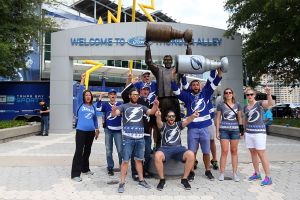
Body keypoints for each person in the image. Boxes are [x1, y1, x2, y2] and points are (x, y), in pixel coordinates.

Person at [171, 68, 223, 181]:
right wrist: (172, 76)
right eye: (193, 85)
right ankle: (191, 172)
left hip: (205, 128)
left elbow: (216, 81)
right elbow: (175, 89)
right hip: (192, 129)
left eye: (197, 84)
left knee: (206, 152)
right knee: (192, 152)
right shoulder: (187, 96)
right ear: (191, 87)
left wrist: (220, 72)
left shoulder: (206, 93)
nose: (195, 86)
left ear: (200, 86)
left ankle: (208, 171)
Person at [111, 88, 159, 193]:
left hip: (140, 138)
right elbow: (115, 113)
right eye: (133, 94)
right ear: (129, 96)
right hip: (127, 138)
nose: (135, 96)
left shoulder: (142, 107)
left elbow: (151, 112)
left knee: (138, 160)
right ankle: (122, 182)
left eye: (137, 95)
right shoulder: (124, 106)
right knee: (125, 161)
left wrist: (155, 105)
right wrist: (114, 110)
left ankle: (141, 180)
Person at [154, 110, 198, 191]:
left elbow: (187, 121)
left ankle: (184, 179)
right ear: (166, 118)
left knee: (191, 154)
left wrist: (193, 116)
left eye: (173, 116)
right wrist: (158, 116)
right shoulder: (163, 125)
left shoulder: (178, 125)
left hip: (178, 148)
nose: (171, 118)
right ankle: (162, 180)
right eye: (169, 116)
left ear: (175, 118)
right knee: (157, 155)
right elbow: (159, 122)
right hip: (165, 149)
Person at [121, 78, 153, 181]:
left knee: (147, 153)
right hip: (134, 133)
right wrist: (131, 83)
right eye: (144, 90)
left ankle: (144, 171)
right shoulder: (136, 100)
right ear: (139, 92)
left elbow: (152, 116)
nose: (145, 91)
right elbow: (124, 94)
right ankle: (135, 173)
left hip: (147, 133)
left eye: (147, 90)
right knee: (135, 155)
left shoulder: (150, 102)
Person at [71, 73, 99, 182]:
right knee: (79, 151)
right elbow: (79, 92)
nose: (88, 96)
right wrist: (82, 80)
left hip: (91, 132)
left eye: (89, 95)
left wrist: (97, 130)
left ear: (91, 97)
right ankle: (75, 174)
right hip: (81, 132)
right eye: (86, 95)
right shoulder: (79, 104)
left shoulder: (93, 107)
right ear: (83, 97)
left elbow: (95, 119)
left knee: (87, 151)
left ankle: (85, 169)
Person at [244, 87, 273, 186]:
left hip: (259, 133)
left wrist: (268, 94)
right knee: (253, 153)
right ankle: (257, 173)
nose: (250, 96)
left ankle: (268, 177)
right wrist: (244, 131)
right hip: (249, 133)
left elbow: (269, 104)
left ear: (255, 95)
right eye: (248, 95)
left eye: (251, 94)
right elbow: (246, 120)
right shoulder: (246, 107)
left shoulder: (259, 104)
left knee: (261, 154)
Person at [215, 88, 243, 182]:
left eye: (230, 92)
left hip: (235, 130)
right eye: (226, 93)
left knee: (234, 151)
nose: (228, 94)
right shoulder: (220, 105)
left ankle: (235, 173)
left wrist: (241, 130)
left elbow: (239, 118)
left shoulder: (238, 104)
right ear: (224, 94)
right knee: (224, 151)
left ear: (232, 94)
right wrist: (217, 131)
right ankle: (222, 173)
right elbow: (218, 118)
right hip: (224, 131)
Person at [96, 89, 122, 176]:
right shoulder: (105, 104)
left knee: (120, 150)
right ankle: (110, 167)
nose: (112, 95)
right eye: (111, 94)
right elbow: (98, 108)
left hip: (118, 130)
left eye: (114, 94)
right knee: (108, 150)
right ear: (109, 96)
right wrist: (100, 98)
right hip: (108, 130)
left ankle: (122, 166)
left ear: (116, 95)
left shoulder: (120, 105)